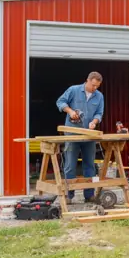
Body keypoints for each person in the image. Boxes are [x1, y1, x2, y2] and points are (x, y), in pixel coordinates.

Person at [56, 71, 105, 202]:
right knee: (70, 165)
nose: (94, 88)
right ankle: (68, 195)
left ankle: (89, 195)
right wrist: (70, 111)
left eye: (97, 86)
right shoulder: (73, 90)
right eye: (93, 85)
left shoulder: (99, 96)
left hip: (89, 135)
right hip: (72, 134)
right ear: (87, 80)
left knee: (89, 164)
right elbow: (60, 102)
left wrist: (94, 122)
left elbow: (99, 113)